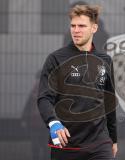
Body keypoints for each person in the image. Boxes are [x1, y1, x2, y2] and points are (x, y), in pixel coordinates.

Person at [37, 4, 117, 160]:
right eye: (73, 26)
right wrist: (53, 123)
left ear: (94, 28)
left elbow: (109, 102)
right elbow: (44, 98)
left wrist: (113, 139)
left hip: (99, 145)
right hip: (66, 143)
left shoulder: (105, 60)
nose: (76, 30)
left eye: (81, 26)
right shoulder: (55, 59)